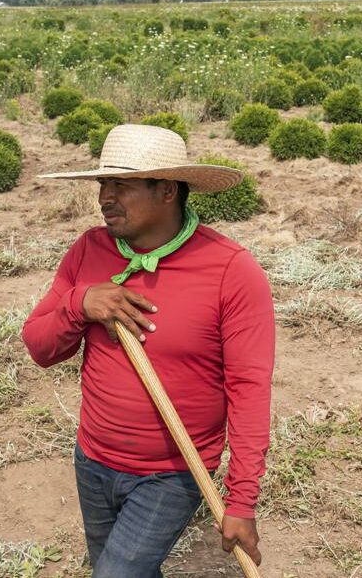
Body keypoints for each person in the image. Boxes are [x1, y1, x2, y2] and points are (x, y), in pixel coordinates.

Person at [22, 124, 274, 576]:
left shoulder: (231, 270)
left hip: (173, 472)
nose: (105, 196)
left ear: (167, 191)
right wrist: (80, 303)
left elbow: (250, 390)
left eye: (123, 184)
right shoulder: (88, 251)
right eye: (103, 183)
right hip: (93, 460)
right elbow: (39, 347)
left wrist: (242, 499)